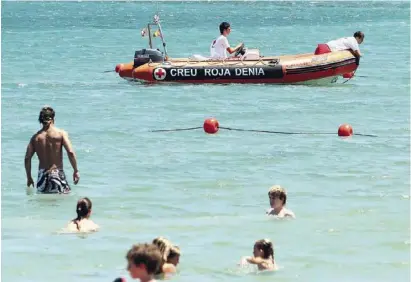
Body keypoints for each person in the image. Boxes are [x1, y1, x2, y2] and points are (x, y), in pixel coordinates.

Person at [24, 106, 80, 194]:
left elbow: (27, 158)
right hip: (57, 174)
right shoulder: (61, 134)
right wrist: (76, 170)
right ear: (53, 118)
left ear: (41, 120)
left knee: (43, 204)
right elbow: (70, 152)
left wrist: (29, 177)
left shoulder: (36, 138)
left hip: (42, 175)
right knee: (61, 202)